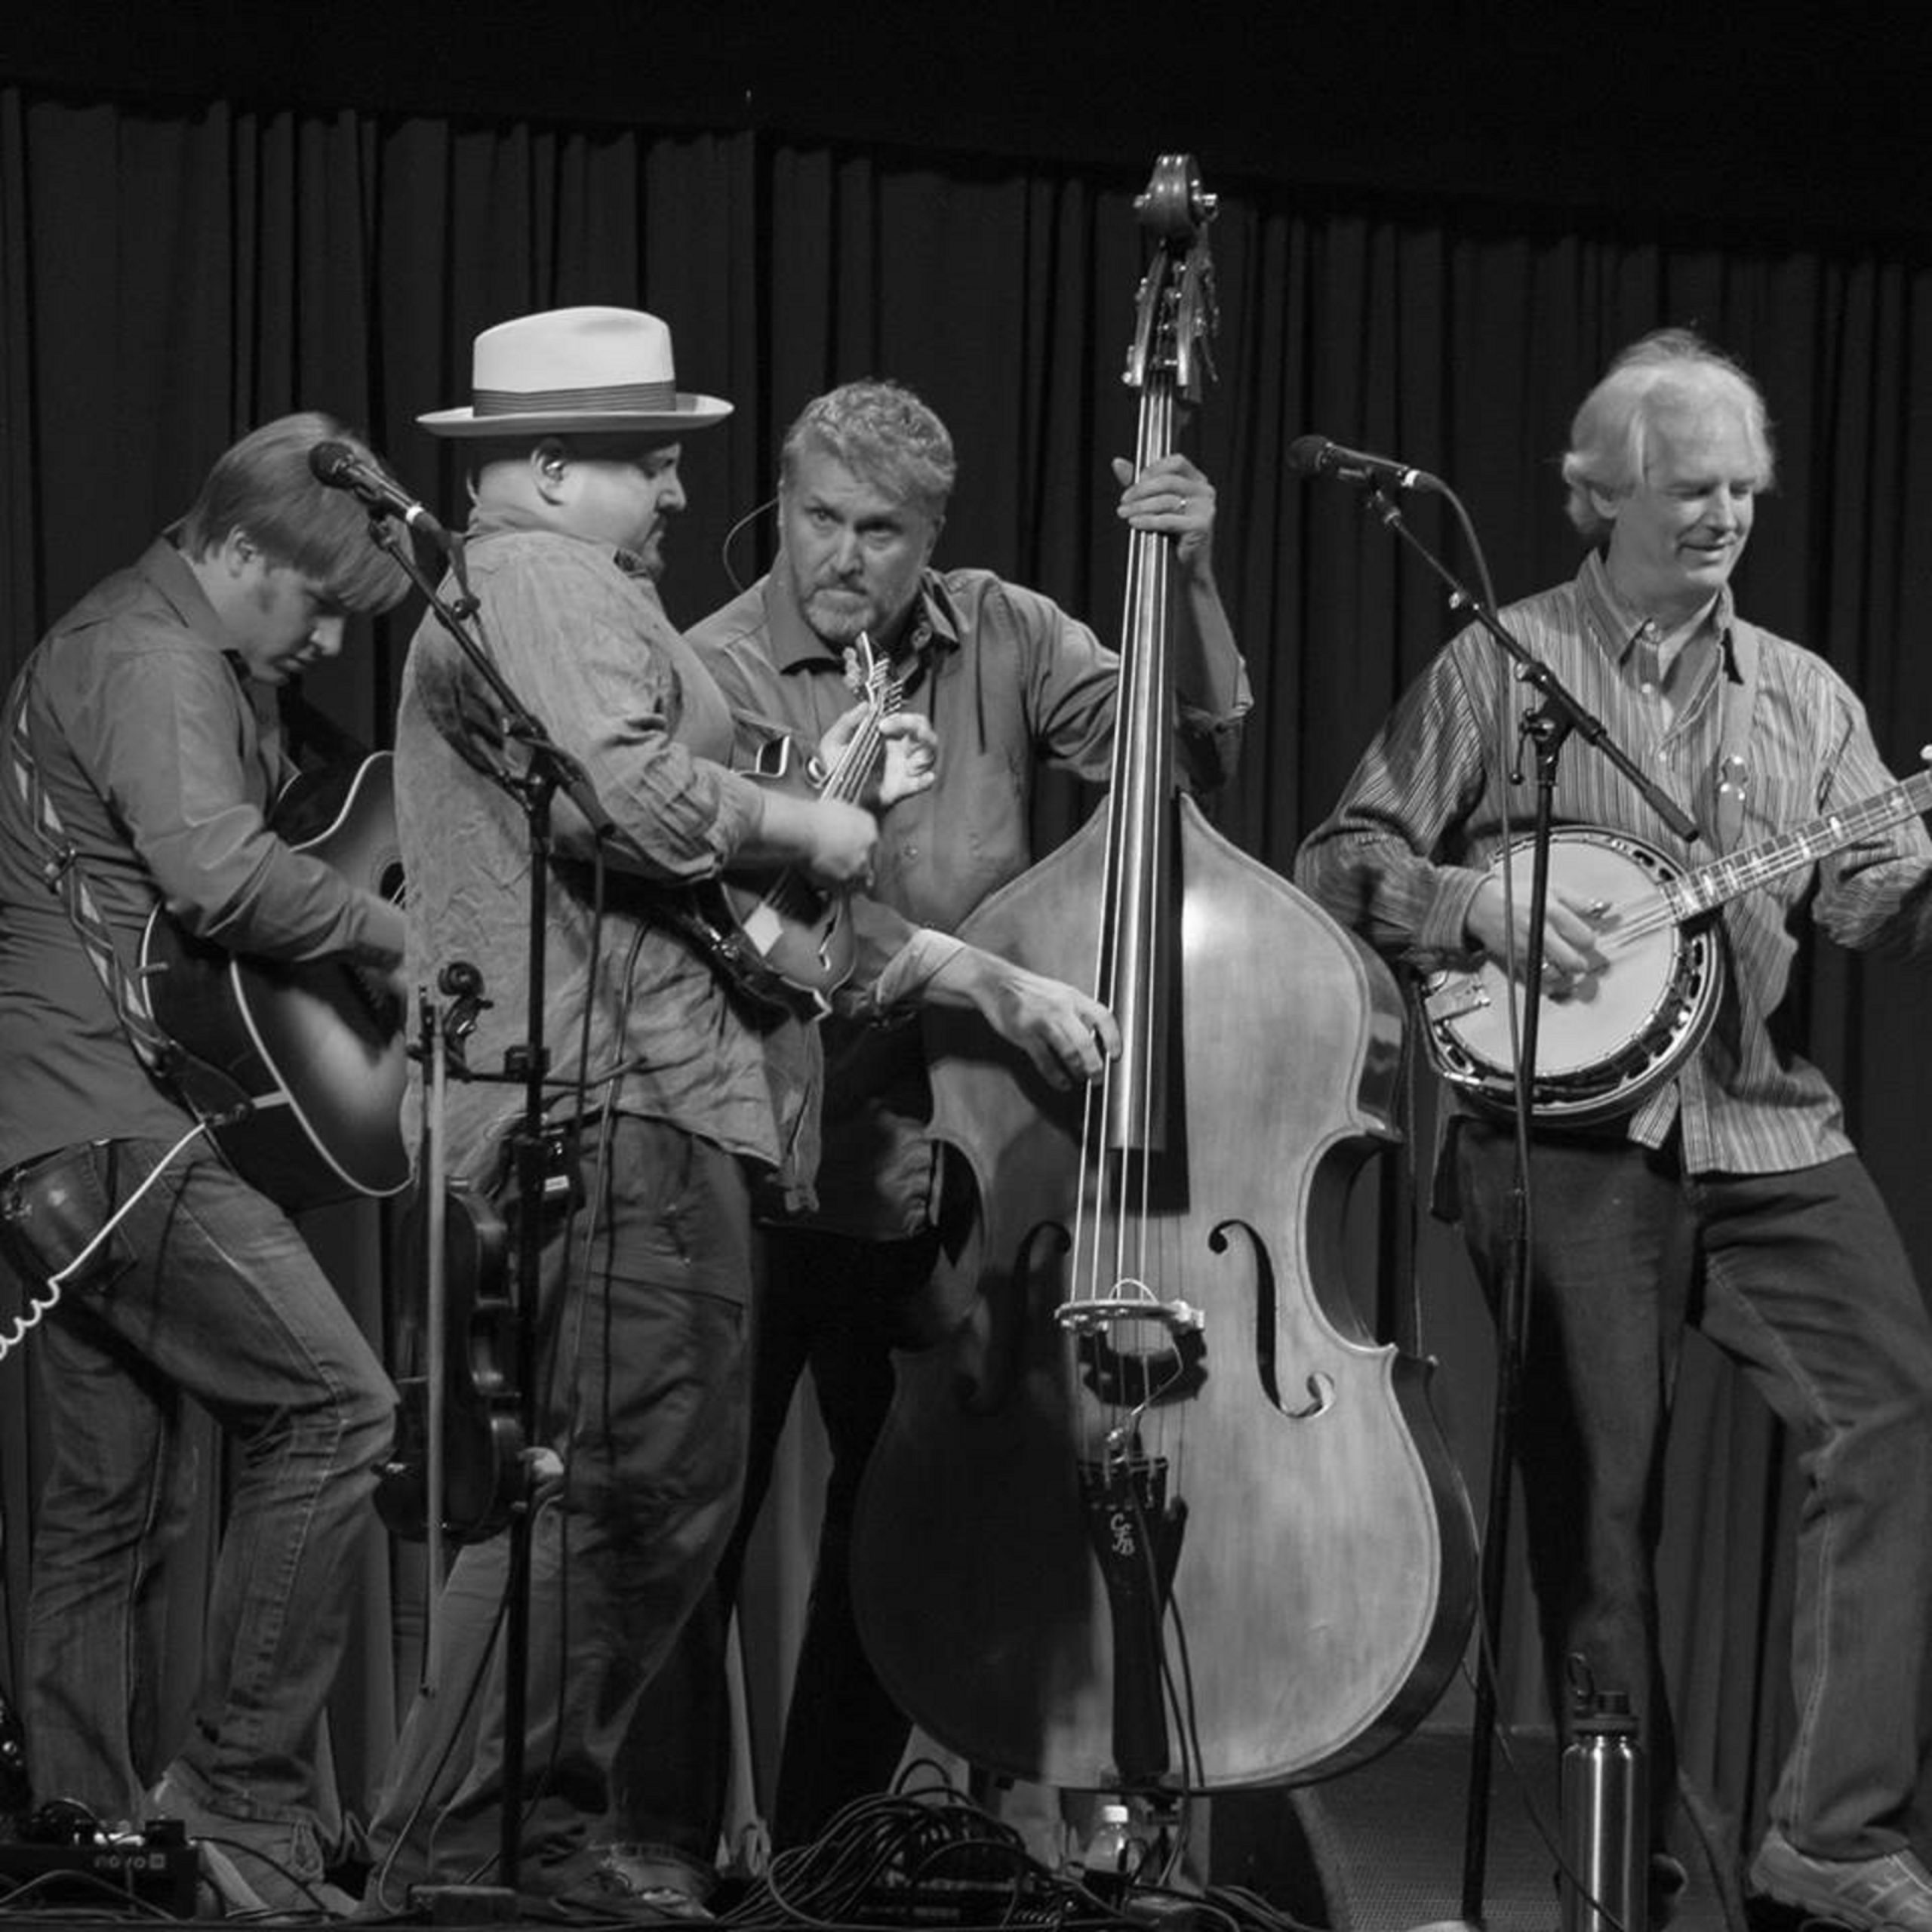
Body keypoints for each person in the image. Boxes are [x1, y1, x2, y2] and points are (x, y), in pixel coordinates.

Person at [1294, 328, 1932, 1932]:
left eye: (1740, 489)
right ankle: (1615, 1874)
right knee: (1596, 1514)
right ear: (1600, 496)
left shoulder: (1802, 694)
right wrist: (1473, 901)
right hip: (1561, 1138)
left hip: (1762, 1126)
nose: (1719, 515)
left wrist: (1906, 875)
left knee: (1895, 1407)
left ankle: (1829, 1834)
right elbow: (1337, 855)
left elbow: (1864, 904)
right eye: (1686, 488)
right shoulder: (1501, 665)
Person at [611, 377, 1247, 1907]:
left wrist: (1192, 572)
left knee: (900, 1524)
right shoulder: (705, 670)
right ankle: (656, 1844)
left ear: (928, 539)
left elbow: (1186, 761)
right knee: (695, 1514)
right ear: (782, 500)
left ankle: (828, 1838)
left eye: (879, 531)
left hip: (941, 1165)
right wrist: (998, 979)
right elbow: (783, 917)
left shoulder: (1004, 635)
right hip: (754, 1151)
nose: (843, 554)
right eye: (819, 518)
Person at [359, 310, 933, 1915]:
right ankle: (461, 1841)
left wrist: (820, 806)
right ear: (543, 466)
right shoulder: (539, 577)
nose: (678, 488)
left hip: (635, 1089)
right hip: (600, 1101)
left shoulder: (577, 594)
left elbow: (652, 845)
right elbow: (627, 784)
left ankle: (508, 1836)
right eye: (645, 457)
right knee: (625, 1478)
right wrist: (805, 817)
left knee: (630, 1481)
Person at [0, 413, 413, 1914]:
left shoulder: (175, 658)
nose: (316, 638)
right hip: (108, 1128)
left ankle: (86, 1854)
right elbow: (222, 875)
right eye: (306, 601)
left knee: (108, 1507)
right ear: (237, 551)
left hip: (54, 1130)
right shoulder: (155, 659)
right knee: (339, 1403)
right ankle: (236, 1798)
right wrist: (398, 940)